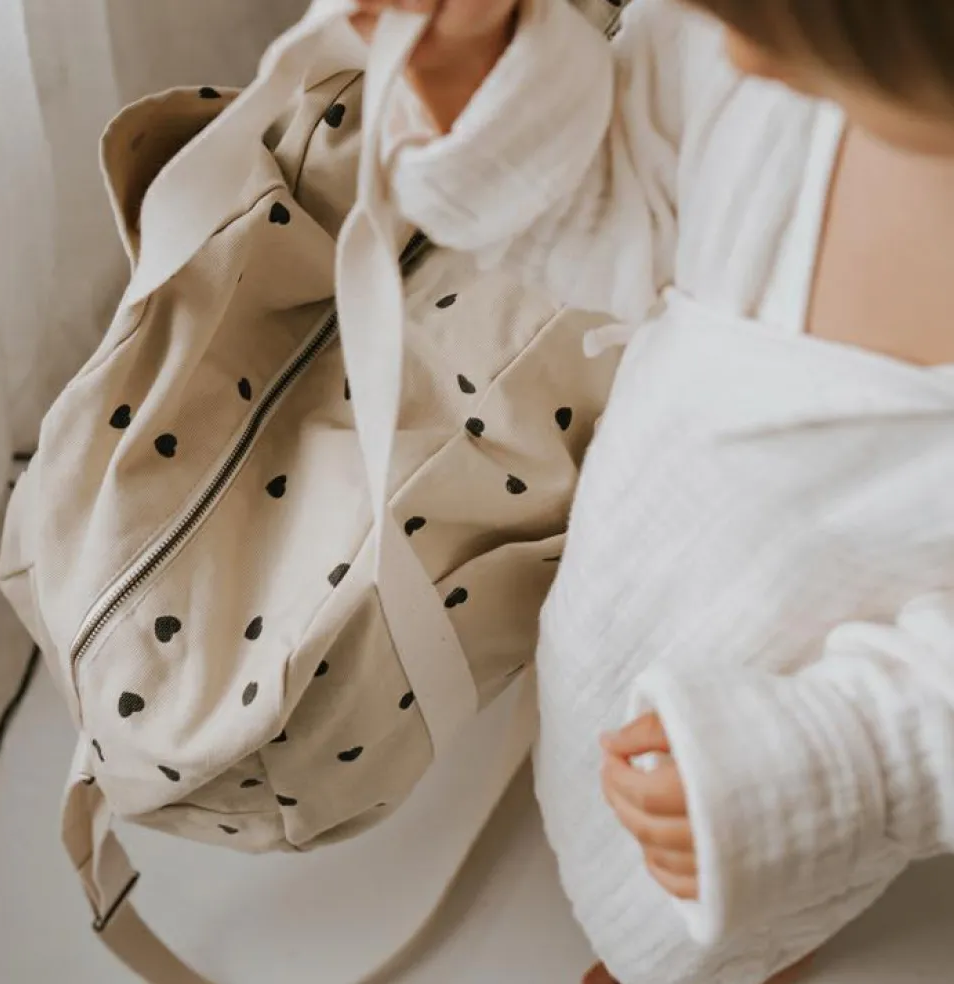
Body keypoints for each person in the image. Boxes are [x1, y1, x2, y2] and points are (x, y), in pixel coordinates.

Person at [352, 1, 954, 981]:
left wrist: (846, 769)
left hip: (796, 714)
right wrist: (471, 72)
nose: (736, 52)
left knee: (728, 904)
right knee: (587, 746)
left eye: (775, 34)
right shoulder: (759, 58)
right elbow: (619, 197)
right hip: (629, 579)